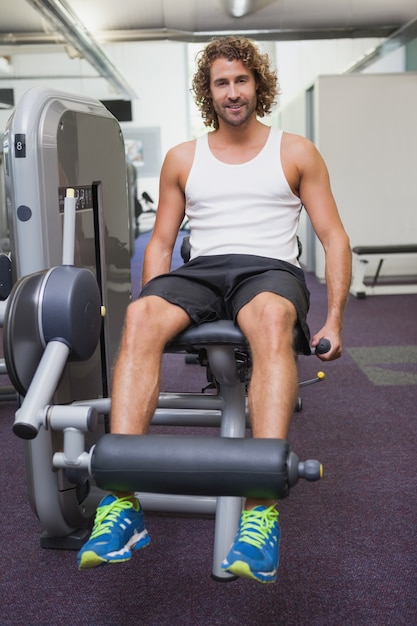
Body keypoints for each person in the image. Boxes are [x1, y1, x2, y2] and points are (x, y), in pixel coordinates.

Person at [78, 36, 351, 583]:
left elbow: (333, 237)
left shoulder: (295, 151)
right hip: (201, 270)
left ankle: (261, 512)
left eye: (242, 80)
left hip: (269, 268)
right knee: (140, 316)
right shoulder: (183, 157)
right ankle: (123, 504)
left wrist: (334, 319)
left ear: (258, 85)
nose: (233, 92)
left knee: (271, 317)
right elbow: (160, 242)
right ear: (209, 91)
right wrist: (152, 300)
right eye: (222, 82)